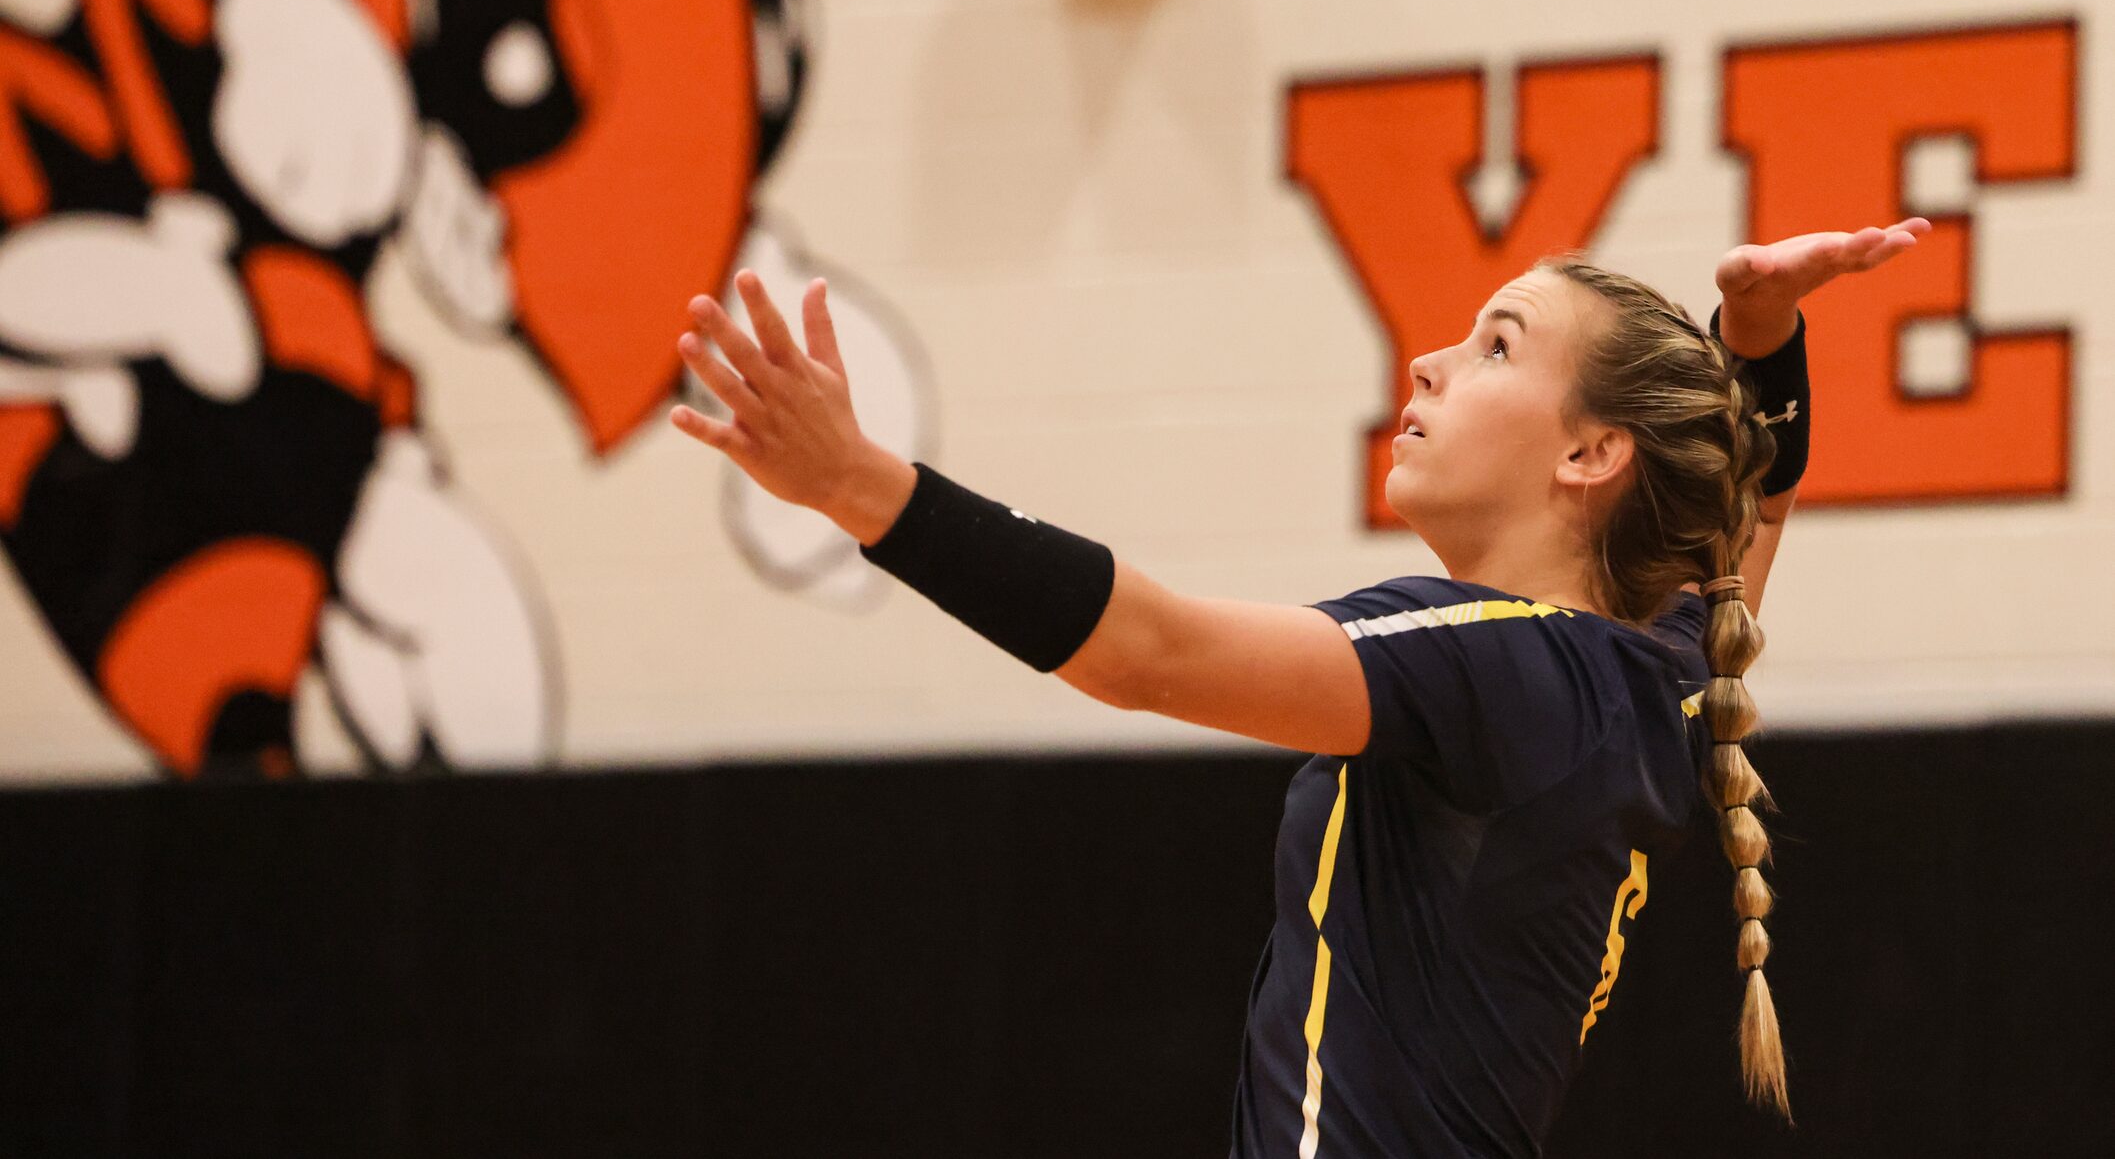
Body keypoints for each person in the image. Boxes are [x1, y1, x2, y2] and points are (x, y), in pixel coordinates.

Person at [670, 218, 1929, 1156]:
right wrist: (1760, 342)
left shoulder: (1493, 657)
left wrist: (857, 487)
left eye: (1497, 345)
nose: (1431, 362)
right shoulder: (1657, 675)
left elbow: (1144, 652)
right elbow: (1748, 511)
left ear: (1593, 453)